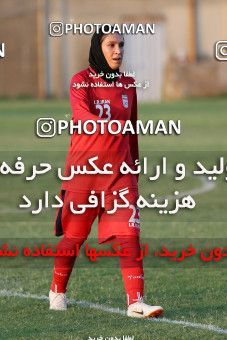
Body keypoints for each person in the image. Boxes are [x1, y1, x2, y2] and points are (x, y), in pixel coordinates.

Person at [49, 25, 163, 318]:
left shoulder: (127, 84)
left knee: (130, 235)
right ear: (97, 48)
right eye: (111, 45)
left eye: (122, 46)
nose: (118, 51)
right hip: (84, 172)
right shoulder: (80, 81)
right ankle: (57, 290)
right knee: (74, 237)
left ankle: (135, 302)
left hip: (119, 173)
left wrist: (133, 168)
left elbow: (132, 130)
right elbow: (83, 116)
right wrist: (108, 125)